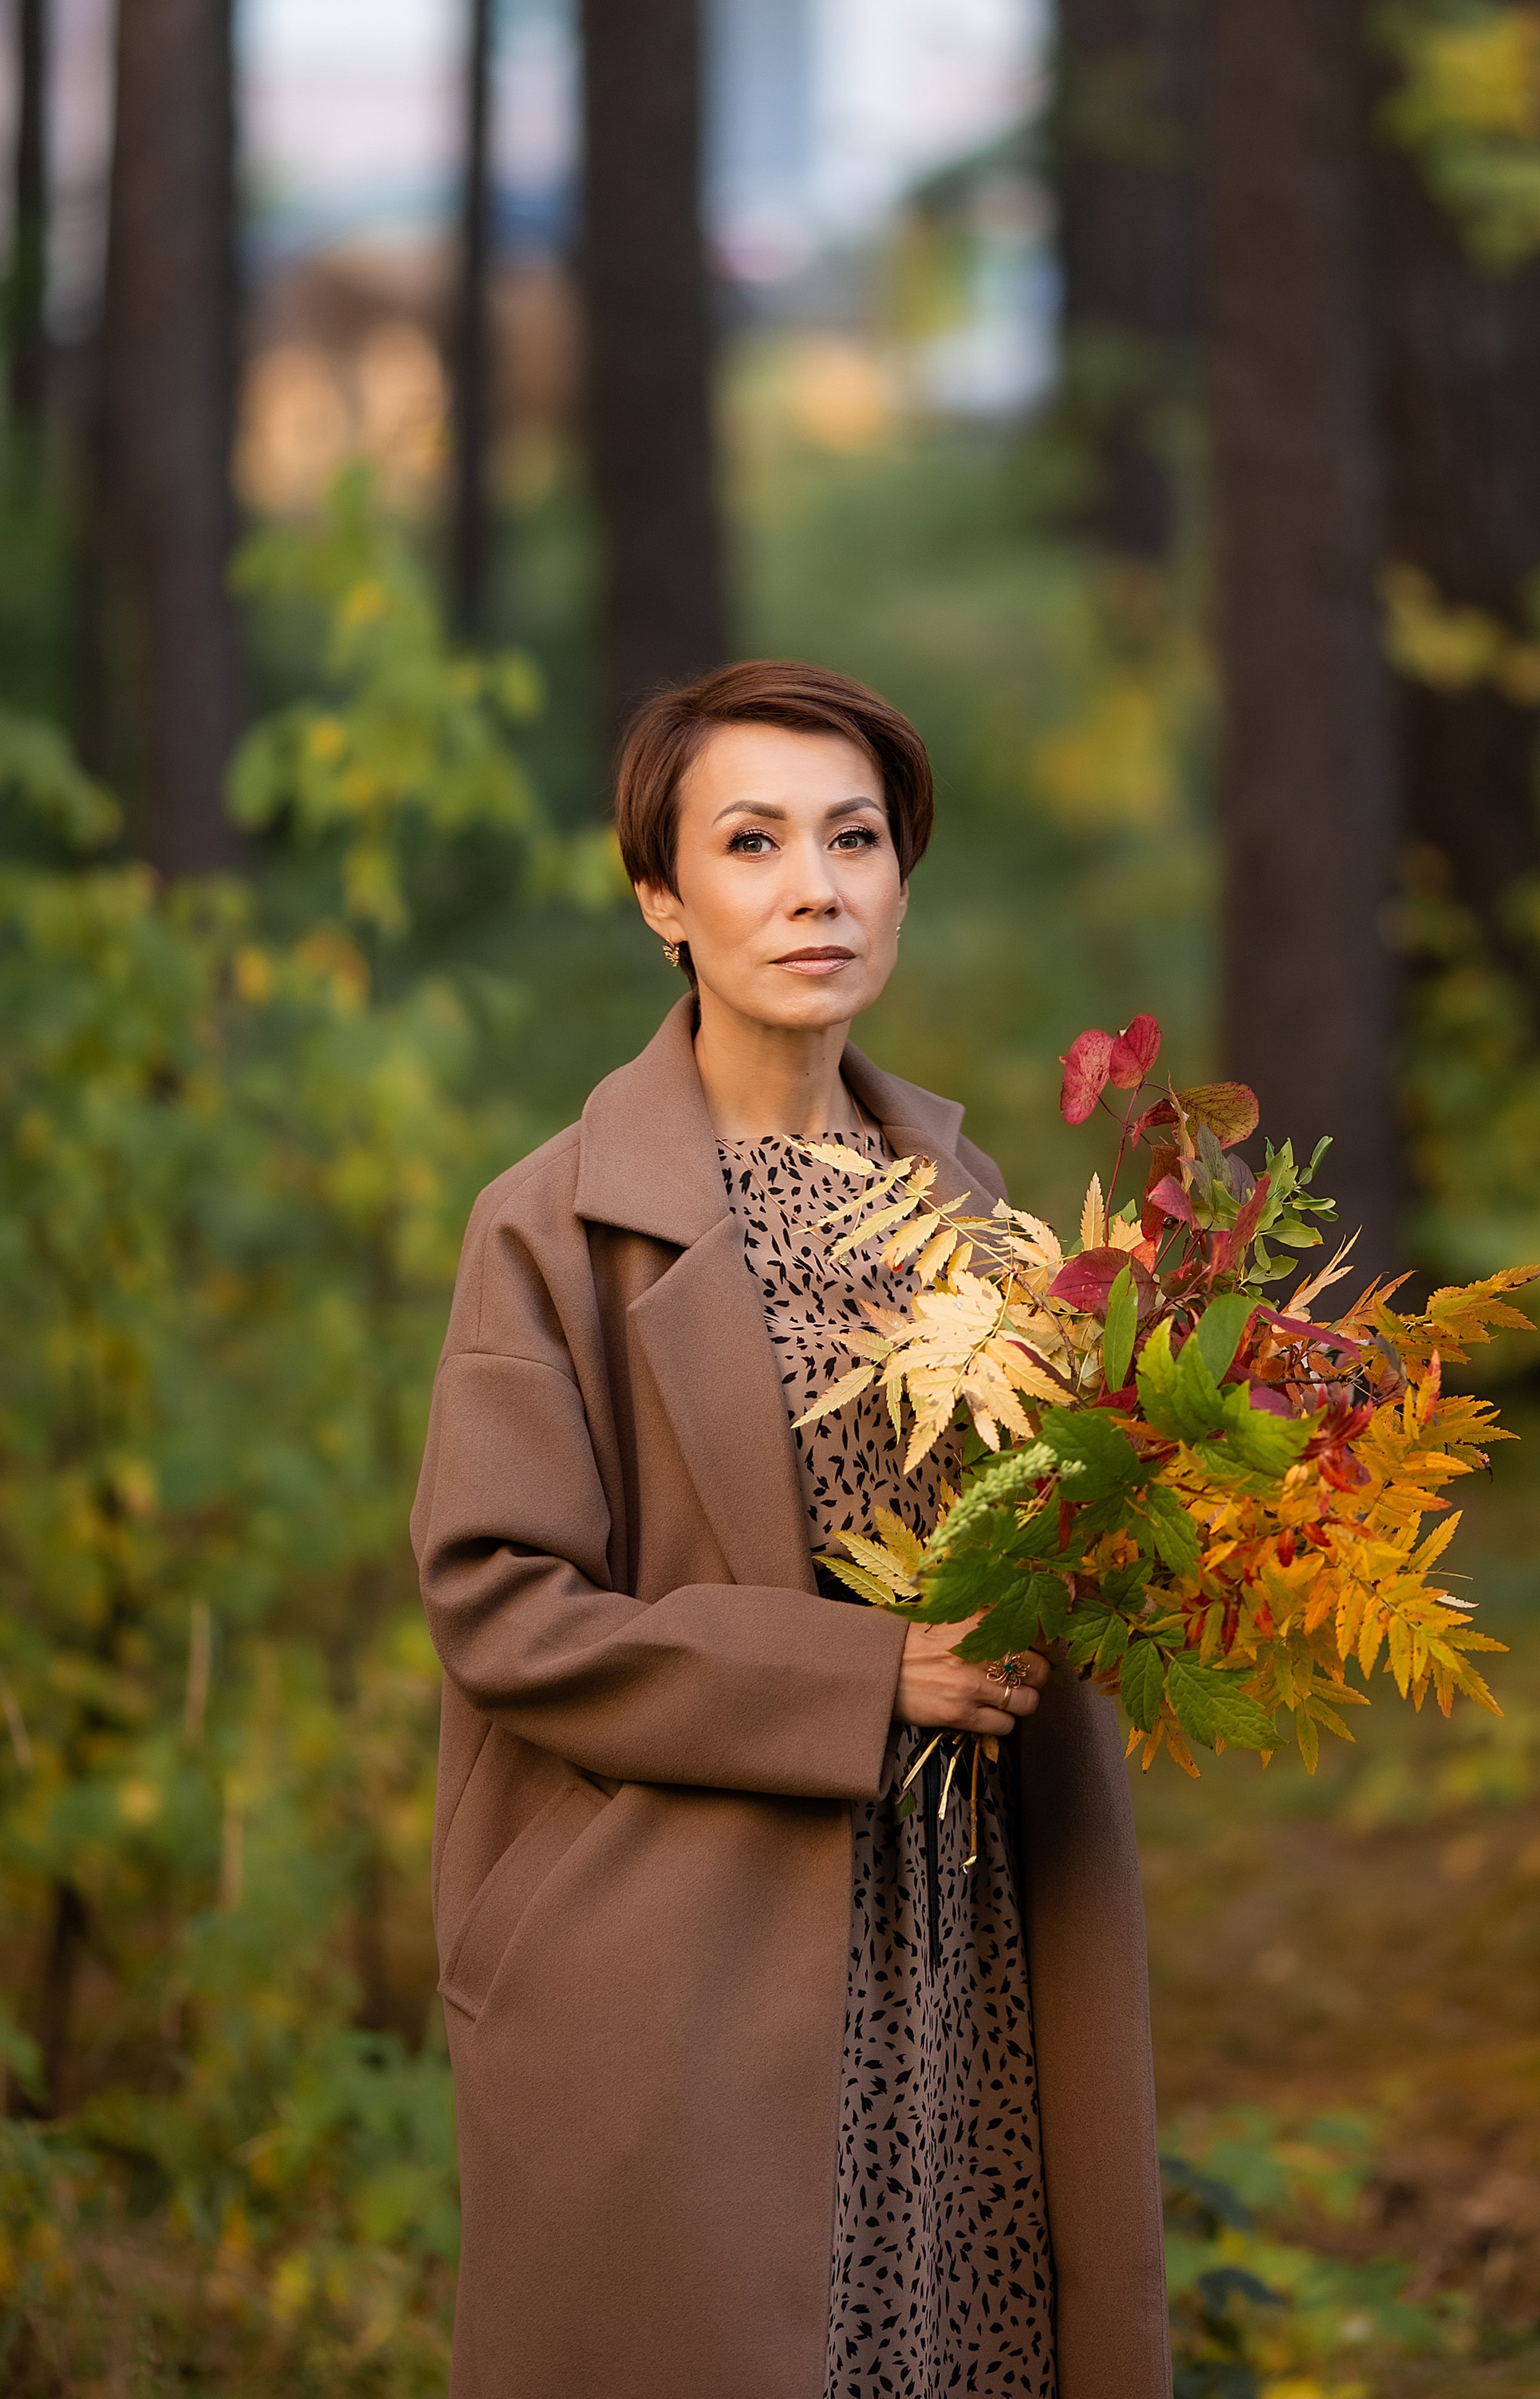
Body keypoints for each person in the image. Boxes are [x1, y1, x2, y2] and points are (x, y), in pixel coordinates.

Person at [412, 660, 1170, 2399]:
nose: (813, 887)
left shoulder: (978, 1217)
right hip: (686, 1952)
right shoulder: (550, 1227)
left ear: (903, 875)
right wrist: (866, 1673)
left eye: (854, 838)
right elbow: (499, 1601)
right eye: (749, 844)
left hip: (969, 1944)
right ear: (660, 901)